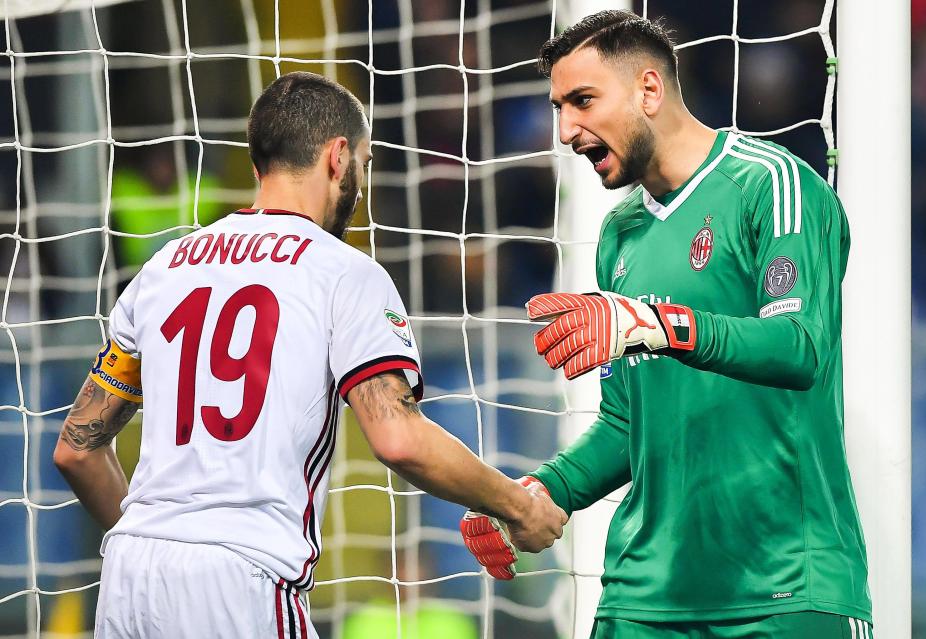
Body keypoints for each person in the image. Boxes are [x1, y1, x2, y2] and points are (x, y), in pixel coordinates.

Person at [53, 71, 567, 639]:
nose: (362, 182)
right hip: (243, 575)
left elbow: (76, 450)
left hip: (131, 574)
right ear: (338, 156)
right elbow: (398, 438)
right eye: (366, 165)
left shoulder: (164, 267)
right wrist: (516, 506)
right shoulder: (342, 273)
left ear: (258, 166)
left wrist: (159, 538)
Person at [460, 11, 874, 639]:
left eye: (583, 101)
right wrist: (542, 494)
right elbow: (628, 421)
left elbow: (801, 346)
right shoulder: (619, 233)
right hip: (645, 598)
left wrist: (657, 323)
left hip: (783, 589)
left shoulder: (772, 185)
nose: (568, 130)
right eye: (559, 108)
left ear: (649, 91)